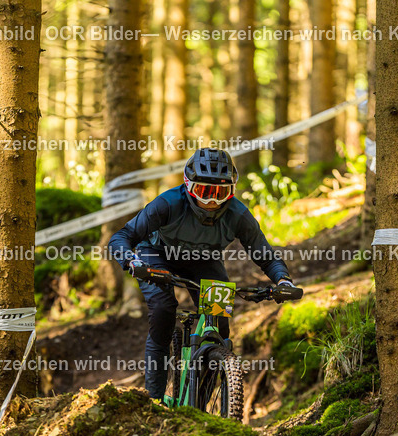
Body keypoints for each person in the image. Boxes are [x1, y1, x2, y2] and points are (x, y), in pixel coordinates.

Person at [108, 147, 295, 399]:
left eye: (221, 193)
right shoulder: (168, 203)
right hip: (156, 254)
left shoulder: (238, 214)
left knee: (220, 325)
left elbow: (265, 254)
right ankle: (153, 400)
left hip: (202, 259)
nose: (212, 201)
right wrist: (130, 260)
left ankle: (201, 403)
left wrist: (282, 280)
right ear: (188, 186)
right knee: (164, 309)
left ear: (232, 191)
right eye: (204, 191)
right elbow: (122, 236)